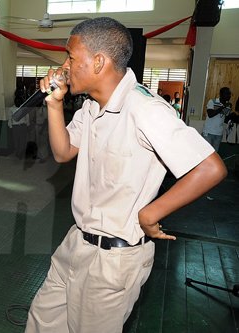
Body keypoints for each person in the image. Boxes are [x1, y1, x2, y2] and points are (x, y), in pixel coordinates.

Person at [25, 17, 227, 333]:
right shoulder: (90, 107)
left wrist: (151, 213)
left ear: (99, 63)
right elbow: (64, 152)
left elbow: (210, 167)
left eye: (72, 57)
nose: (64, 66)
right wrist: (54, 104)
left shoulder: (145, 108)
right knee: (42, 321)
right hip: (77, 241)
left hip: (113, 261)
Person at [203, 87, 232, 151]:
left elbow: (225, 119)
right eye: (227, 94)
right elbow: (210, 114)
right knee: (207, 152)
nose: (229, 96)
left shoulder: (228, 105)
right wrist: (223, 106)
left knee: (215, 154)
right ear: (221, 94)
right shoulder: (212, 101)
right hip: (208, 132)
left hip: (219, 133)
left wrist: (230, 114)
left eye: (229, 94)